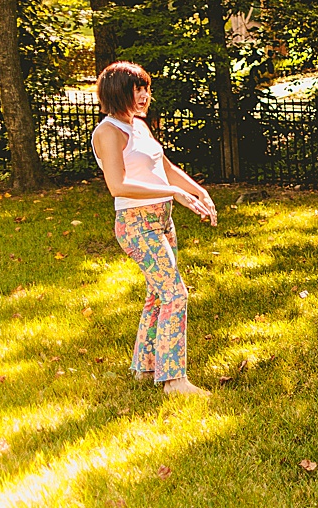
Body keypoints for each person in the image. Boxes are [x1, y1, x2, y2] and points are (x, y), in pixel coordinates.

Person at [91, 62, 218, 397]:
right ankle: (174, 381)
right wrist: (171, 192)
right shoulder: (107, 132)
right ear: (119, 92)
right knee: (175, 294)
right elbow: (117, 185)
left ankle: (145, 368)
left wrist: (196, 190)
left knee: (157, 294)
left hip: (162, 218)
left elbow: (164, 167)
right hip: (135, 224)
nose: (145, 95)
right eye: (138, 89)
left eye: (146, 88)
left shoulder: (139, 127)